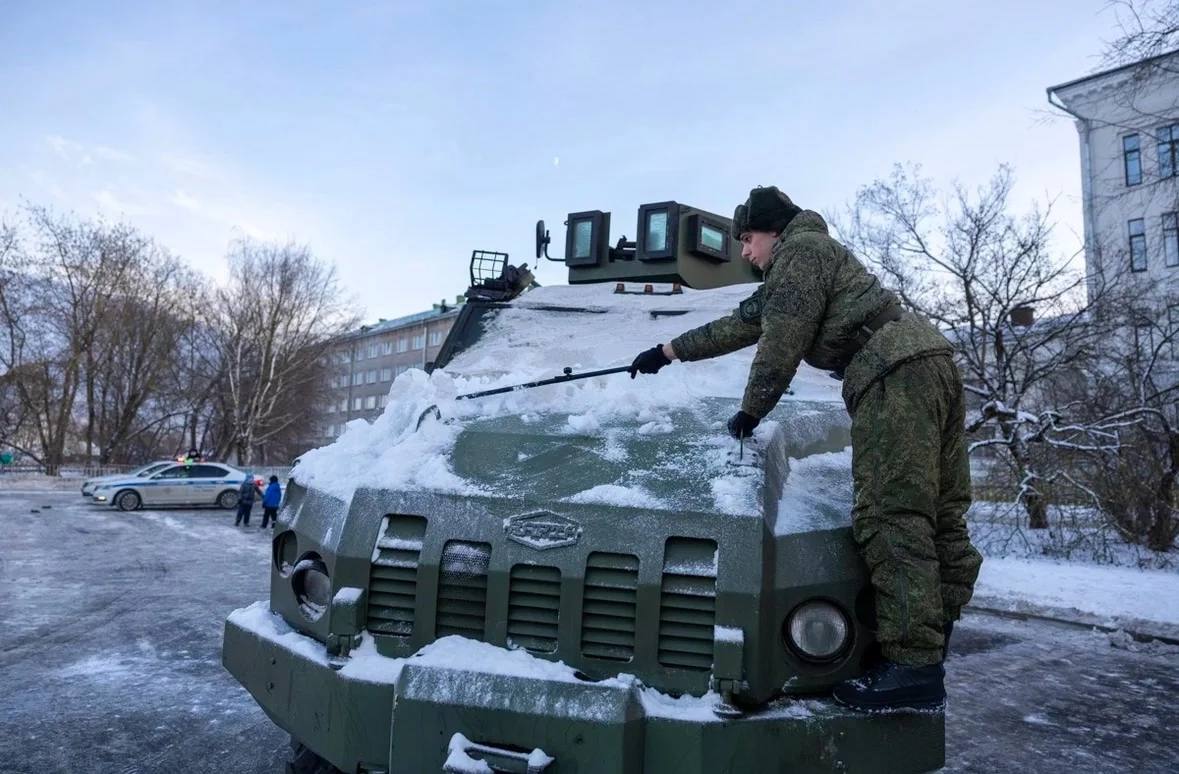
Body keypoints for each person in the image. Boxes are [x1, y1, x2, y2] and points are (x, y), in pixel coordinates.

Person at [628, 185, 983, 712]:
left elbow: (781, 340)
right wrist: (667, 351)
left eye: (748, 240)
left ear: (773, 231)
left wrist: (752, 410)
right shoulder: (807, 261)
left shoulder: (801, 253)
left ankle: (914, 665)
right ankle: (930, 641)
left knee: (891, 514)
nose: (745, 253)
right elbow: (743, 324)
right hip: (923, 359)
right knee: (939, 510)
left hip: (891, 372)